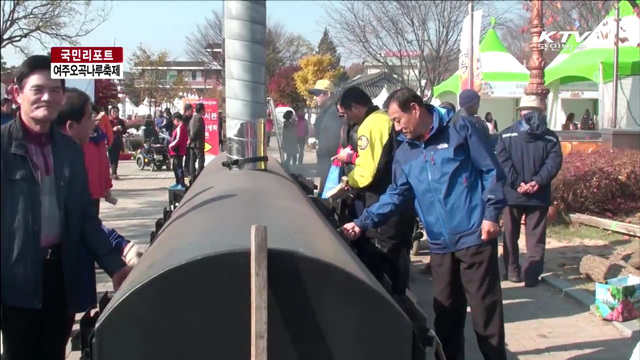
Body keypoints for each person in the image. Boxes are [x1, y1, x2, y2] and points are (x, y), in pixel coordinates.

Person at [342, 87, 507, 360]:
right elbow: (396, 194)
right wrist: (362, 222)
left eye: (397, 119)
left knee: (485, 316)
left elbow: (491, 170)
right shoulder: (405, 151)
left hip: (474, 236)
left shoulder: (459, 129)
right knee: (446, 316)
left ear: (415, 109)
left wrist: (490, 214)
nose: (396, 127)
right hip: (440, 244)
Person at [0, 55, 131, 360]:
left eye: (56, 90)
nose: (48, 97)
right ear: (17, 94)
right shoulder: (3, 148)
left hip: (59, 276)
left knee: (53, 352)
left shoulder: (70, 151)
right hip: (16, 279)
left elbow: (85, 218)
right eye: (38, 89)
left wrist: (115, 266)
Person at [334, 86, 416, 298]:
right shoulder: (382, 118)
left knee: (385, 254)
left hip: (384, 199)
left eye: (346, 114)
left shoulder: (370, 125)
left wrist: (347, 183)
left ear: (355, 107)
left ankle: (394, 304)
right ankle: (402, 298)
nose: (347, 119)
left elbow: (367, 172)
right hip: (399, 198)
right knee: (400, 252)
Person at [496, 95, 563, 287]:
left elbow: (503, 162)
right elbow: (553, 163)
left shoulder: (507, 135)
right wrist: (537, 182)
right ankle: (532, 276)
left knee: (510, 235)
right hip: (537, 195)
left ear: (521, 113)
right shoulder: (550, 136)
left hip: (513, 194)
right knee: (535, 238)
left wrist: (518, 183)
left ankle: (512, 272)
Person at [309, 79, 342, 195]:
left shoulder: (334, 113)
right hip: (324, 163)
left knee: (325, 196)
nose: (315, 98)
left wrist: (322, 150)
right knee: (317, 193)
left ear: (327, 94)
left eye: (318, 94)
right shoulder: (324, 113)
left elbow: (333, 142)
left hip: (330, 165)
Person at [169, 112, 188, 189]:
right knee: (175, 167)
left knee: (178, 167)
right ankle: (177, 182)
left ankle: (181, 183)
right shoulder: (179, 127)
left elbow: (178, 139)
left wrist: (171, 145)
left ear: (176, 119)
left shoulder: (180, 127)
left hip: (178, 150)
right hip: (176, 150)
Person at [188, 102, 206, 182]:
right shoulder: (199, 118)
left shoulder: (192, 118)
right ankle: (199, 175)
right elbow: (197, 130)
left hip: (192, 144)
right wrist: (192, 138)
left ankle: (192, 175)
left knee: (192, 160)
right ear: (201, 110)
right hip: (198, 143)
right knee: (201, 160)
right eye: (204, 109)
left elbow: (188, 129)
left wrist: (189, 139)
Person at [108, 106, 126, 180]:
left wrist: (121, 129)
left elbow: (124, 131)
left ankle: (114, 173)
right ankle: (111, 172)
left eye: (116, 111)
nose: (115, 113)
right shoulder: (108, 120)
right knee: (111, 158)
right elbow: (105, 130)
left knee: (116, 158)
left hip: (118, 141)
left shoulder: (120, 121)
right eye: (113, 112)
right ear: (110, 112)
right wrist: (113, 129)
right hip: (109, 141)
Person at [183, 103, 194, 177]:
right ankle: (186, 171)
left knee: (189, 156)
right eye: (191, 110)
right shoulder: (183, 118)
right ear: (187, 110)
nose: (192, 111)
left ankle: (189, 170)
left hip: (190, 139)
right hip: (184, 139)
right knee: (186, 156)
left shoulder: (192, 117)